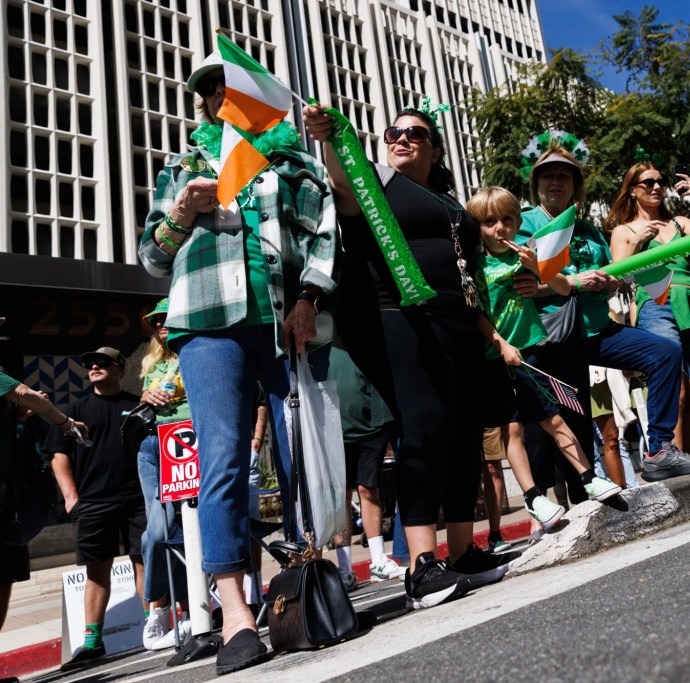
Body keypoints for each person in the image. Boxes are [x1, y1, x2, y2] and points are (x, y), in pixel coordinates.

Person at [139, 54, 337, 674]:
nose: (223, 99)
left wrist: (308, 298)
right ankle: (235, 617)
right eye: (212, 93)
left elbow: (324, 236)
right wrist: (184, 211)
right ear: (203, 105)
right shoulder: (185, 165)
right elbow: (151, 256)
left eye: (235, 89)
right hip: (204, 325)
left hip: (282, 322)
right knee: (222, 454)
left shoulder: (294, 163)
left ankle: (308, 582)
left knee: (301, 444)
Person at [304, 101, 515, 609]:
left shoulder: (445, 198)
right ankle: (423, 566)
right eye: (392, 132)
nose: (401, 139)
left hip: (459, 324)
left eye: (414, 134)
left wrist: (492, 328)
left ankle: (463, 554)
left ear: (435, 147)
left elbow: (473, 266)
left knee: (464, 431)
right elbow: (344, 186)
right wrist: (332, 138)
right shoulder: (376, 186)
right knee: (426, 427)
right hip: (400, 317)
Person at [516, 142, 690, 484]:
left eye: (565, 175)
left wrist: (609, 283)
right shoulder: (523, 224)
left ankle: (660, 451)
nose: (556, 181)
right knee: (558, 431)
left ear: (576, 185)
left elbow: (615, 277)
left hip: (597, 332)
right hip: (548, 341)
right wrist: (574, 281)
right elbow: (523, 287)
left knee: (665, 351)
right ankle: (550, 513)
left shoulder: (590, 231)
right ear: (536, 184)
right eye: (548, 175)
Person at [468, 186, 621, 535]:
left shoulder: (525, 255)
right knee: (513, 428)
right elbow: (477, 314)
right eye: (490, 222)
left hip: (533, 349)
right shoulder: (476, 266)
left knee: (554, 417)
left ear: (518, 221)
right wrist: (500, 343)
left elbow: (565, 287)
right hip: (497, 357)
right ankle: (533, 496)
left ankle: (588, 478)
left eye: (507, 220)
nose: (500, 229)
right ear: (478, 227)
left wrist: (537, 268)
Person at [606, 161, 690, 459]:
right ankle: (669, 462)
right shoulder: (624, 230)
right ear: (632, 191)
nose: (657, 187)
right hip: (656, 305)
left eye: (660, 181)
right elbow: (616, 279)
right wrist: (637, 242)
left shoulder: (680, 223)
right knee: (677, 394)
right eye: (648, 182)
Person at [44, 347, 145, 671]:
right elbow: (58, 454)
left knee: (143, 562)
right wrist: (70, 496)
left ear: (120, 367)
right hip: (92, 502)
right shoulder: (74, 409)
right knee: (96, 572)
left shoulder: (137, 405)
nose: (95, 366)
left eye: (103, 362)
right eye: (89, 363)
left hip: (136, 499)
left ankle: (154, 627)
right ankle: (92, 643)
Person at [1, 363, 88, 636]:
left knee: (4, 578)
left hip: (7, 500)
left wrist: (16, 416)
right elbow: (25, 392)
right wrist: (65, 422)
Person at [135, 299, 192, 650]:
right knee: (155, 531)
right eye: (156, 321)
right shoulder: (151, 361)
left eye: (167, 319)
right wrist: (146, 393)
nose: (161, 326)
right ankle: (158, 608)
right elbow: (144, 397)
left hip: (188, 443)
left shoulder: (196, 350)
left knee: (183, 531)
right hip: (152, 446)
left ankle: (186, 611)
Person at [325, 342, 404, 586]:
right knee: (341, 500)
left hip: (369, 430)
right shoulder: (321, 344)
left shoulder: (360, 339)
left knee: (369, 490)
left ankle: (378, 560)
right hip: (335, 434)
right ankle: (345, 570)